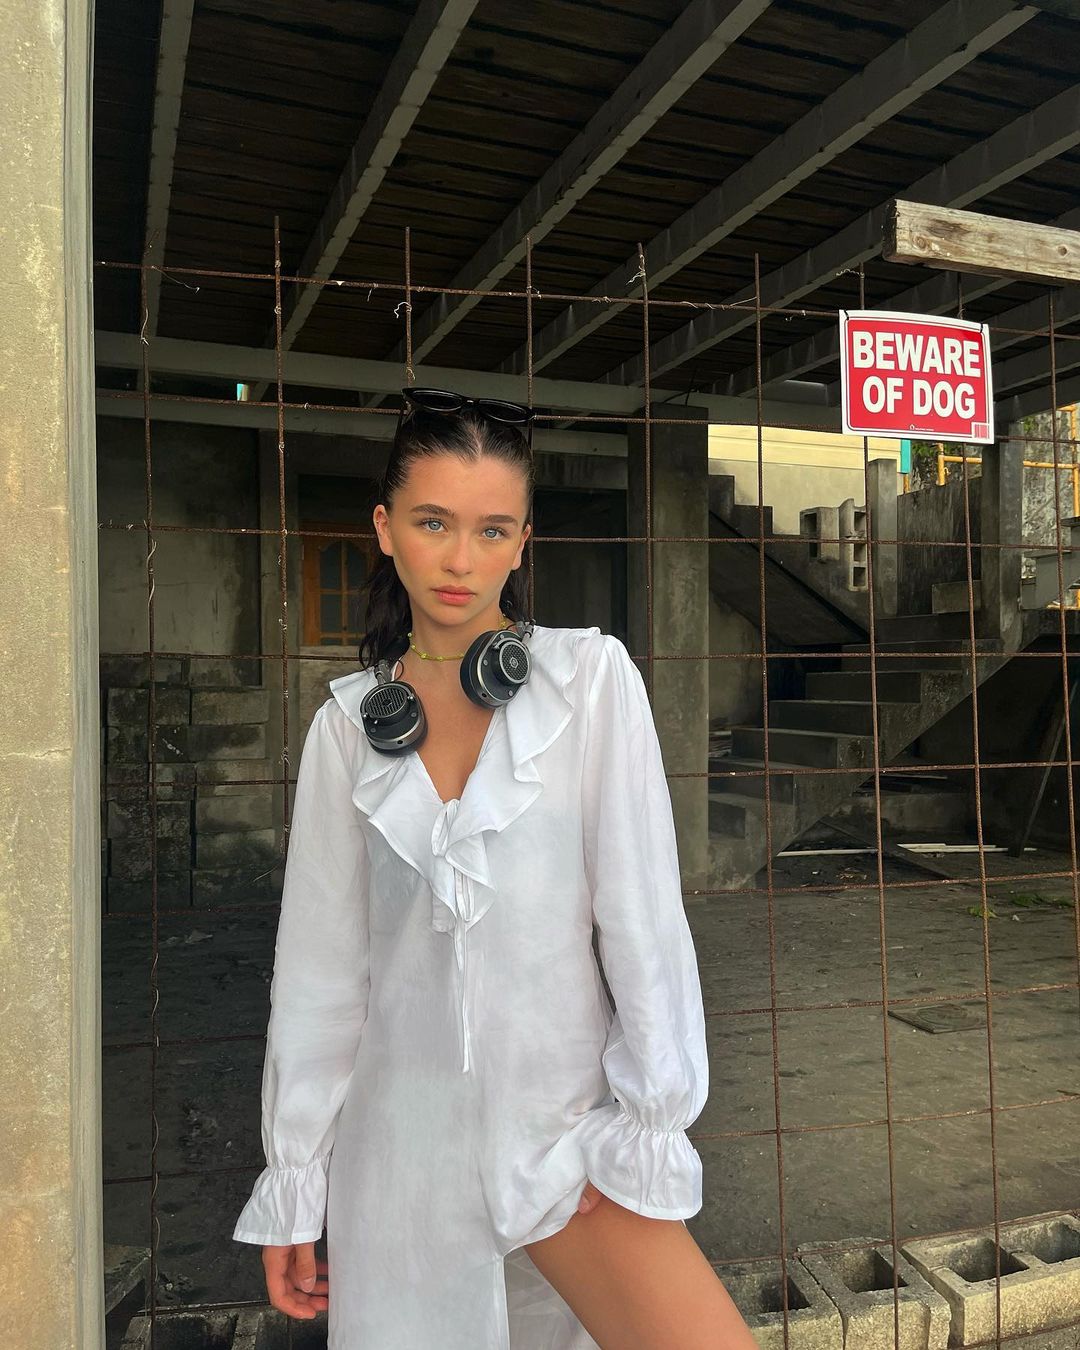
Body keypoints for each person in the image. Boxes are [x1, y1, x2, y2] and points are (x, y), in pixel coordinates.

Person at [233, 388, 758, 1349]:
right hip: (400, 1160)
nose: (461, 560)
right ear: (385, 529)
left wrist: (643, 1127)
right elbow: (320, 977)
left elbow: (642, 922)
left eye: (492, 530)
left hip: (563, 1144)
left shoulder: (588, 683)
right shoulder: (346, 730)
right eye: (433, 522)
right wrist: (296, 1181)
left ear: (522, 545)